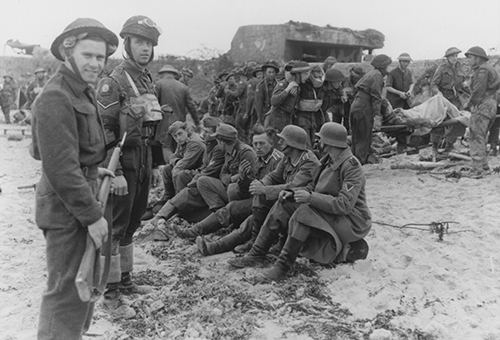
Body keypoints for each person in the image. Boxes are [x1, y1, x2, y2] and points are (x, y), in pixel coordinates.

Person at [31, 18, 118, 339]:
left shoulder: (80, 91)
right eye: (88, 56)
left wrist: (94, 170)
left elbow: (69, 152)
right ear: (68, 53)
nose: (96, 63)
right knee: (65, 293)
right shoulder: (56, 96)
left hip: (78, 197)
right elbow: (58, 166)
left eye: (101, 57)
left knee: (81, 287)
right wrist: (93, 216)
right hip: (66, 209)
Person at [228, 123, 371, 282]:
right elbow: (313, 186)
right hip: (328, 210)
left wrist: (310, 197)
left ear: (329, 143)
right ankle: (257, 253)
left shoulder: (351, 166)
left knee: (304, 214)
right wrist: (293, 193)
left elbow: (344, 204)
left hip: (352, 221)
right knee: (284, 203)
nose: (317, 142)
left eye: (320, 139)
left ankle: (282, 267)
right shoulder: (327, 160)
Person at [96, 15, 162, 302]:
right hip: (125, 158)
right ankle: (110, 291)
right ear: (127, 44)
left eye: (149, 43)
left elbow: (153, 123)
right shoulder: (114, 81)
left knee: (134, 220)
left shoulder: (146, 78)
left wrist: (157, 164)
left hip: (145, 156)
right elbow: (105, 128)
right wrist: (117, 170)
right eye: (139, 42)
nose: (145, 48)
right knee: (117, 223)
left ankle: (125, 280)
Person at [197, 124, 320, 256]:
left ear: (292, 143)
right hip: (276, 200)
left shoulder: (308, 162)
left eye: (282, 140)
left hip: (292, 205)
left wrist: (264, 189)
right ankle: (200, 233)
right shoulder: (287, 156)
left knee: (249, 222)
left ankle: (214, 247)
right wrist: (260, 184)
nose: (279, 142)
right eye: (255, 143)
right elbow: (274, 176)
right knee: (237, 208)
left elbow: (293, 186)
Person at [177, 127, 283, 240]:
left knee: (232, 205)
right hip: (257, 198)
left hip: (270, 202)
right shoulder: (258, 158)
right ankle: (195, 231)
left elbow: (281, 187)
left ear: (271, 143)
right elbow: (248, 184)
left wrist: (259, 188)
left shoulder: (277, 160)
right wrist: (243, 178)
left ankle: (196, 231)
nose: (257, 147)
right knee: (230, 203)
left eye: (261, 143)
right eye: (255, 143)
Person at [350, 54, 392, 164]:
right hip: (364, 107)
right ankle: (360, 162)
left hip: (357, 105)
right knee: (364, 137)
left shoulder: (371, 74)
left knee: (357, 137)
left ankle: (355, 160)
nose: (388, 69)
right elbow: (376, 97)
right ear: (383, 66)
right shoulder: (377, 76)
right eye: (387, 66)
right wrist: (377, 116)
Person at [465, 46, 500, 175]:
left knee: (475, 136)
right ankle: (484, 166)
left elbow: (478, 90)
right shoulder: (489, 68)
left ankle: (477, 169)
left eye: (471, 58)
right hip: (491, 104)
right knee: (482, 136)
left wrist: (469, 104)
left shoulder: (482, 70)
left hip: (482, 104)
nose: (469, 60)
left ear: (478, 58)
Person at [156, 64, 199, 159]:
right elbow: (191, 107)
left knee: (166, 146)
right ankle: (177, 167)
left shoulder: (158, 84)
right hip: (180, 122)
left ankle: (170, 168)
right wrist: (197, 122)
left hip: (163, 122)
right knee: (179, 145)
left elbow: (154, 104)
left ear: (162, 73)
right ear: (174, 74)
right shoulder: (183, 87)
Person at [159, 121, 205, 203]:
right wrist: (177, 161)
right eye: (175, 136)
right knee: (167, 169)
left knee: (179, 174)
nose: (178, 138)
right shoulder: (183, 141)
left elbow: (183, 164)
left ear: (186, 131)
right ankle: (168, 198)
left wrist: (177, 163)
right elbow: (173, 157)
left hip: (201, 172)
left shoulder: (194, 143)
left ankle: (178, 202)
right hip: (191, 167)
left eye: (180, 134)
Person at [265, 61, 311, 135]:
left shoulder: (298, 85)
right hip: (276, 122)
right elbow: (274, 101)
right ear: (298, 75)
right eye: (305, 74)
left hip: (287, 120)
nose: (307, 76)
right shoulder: (283, 84)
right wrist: (287, 89)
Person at [254, 60, 279, 125]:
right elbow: (258, 103)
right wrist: (259, 118)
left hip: (277, 113)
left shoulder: (279, 84)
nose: (271, 74)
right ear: (265, 73)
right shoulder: (261, 86)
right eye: (269, 72)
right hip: (266, 113)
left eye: (273, 72)